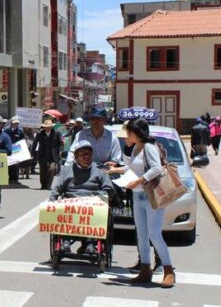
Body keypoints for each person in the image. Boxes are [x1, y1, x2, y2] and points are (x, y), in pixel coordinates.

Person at [106, 118, 175, 288]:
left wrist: (138, 182)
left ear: (137, 132)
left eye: (129, 131)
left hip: (151, 196)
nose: (127, 135)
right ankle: (145, 270)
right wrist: (115, 169)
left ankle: (169, 271)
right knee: (141, 234)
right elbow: (131, 168)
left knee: (154, 234)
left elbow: (157, 168)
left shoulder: (149, 147)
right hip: (138, 197)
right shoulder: (137, 148)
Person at [49, 141, 113, 254]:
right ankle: (66, 241)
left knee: (98, 211)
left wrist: (100, 199)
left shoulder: (100, 170)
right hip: (71, 203)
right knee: (64, 209)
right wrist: (51, 202)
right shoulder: (66, 170)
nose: (86, 157)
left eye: (89, 154)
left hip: (93, 203)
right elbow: (57, 188)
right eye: (83, 154)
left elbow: (108, 188)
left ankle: (90, 243)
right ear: (75, 157)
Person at [32, 119, 62, 190]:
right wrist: (32, 153)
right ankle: (43, 185)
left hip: (53, 155)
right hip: (42, 154)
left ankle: (49, 185)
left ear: (51, 127)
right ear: (44, 127)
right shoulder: (40, 133)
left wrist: (60, 151)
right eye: (46, 126)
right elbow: (35, 143)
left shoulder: (56, 133)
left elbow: (60, 143)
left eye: (49, 126)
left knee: (52, 169)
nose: (48, 128)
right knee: (43, 171)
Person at [5, 117, 25, 184]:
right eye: (14, 123)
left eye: (17, 123)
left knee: (16, 164)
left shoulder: (20, 131)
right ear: (11, 123)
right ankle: (10, 178)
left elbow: (23, 140)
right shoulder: (6, 130)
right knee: (9, 164)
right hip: (8, 149)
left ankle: (16, 179)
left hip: (17, 149)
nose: (16, 124)